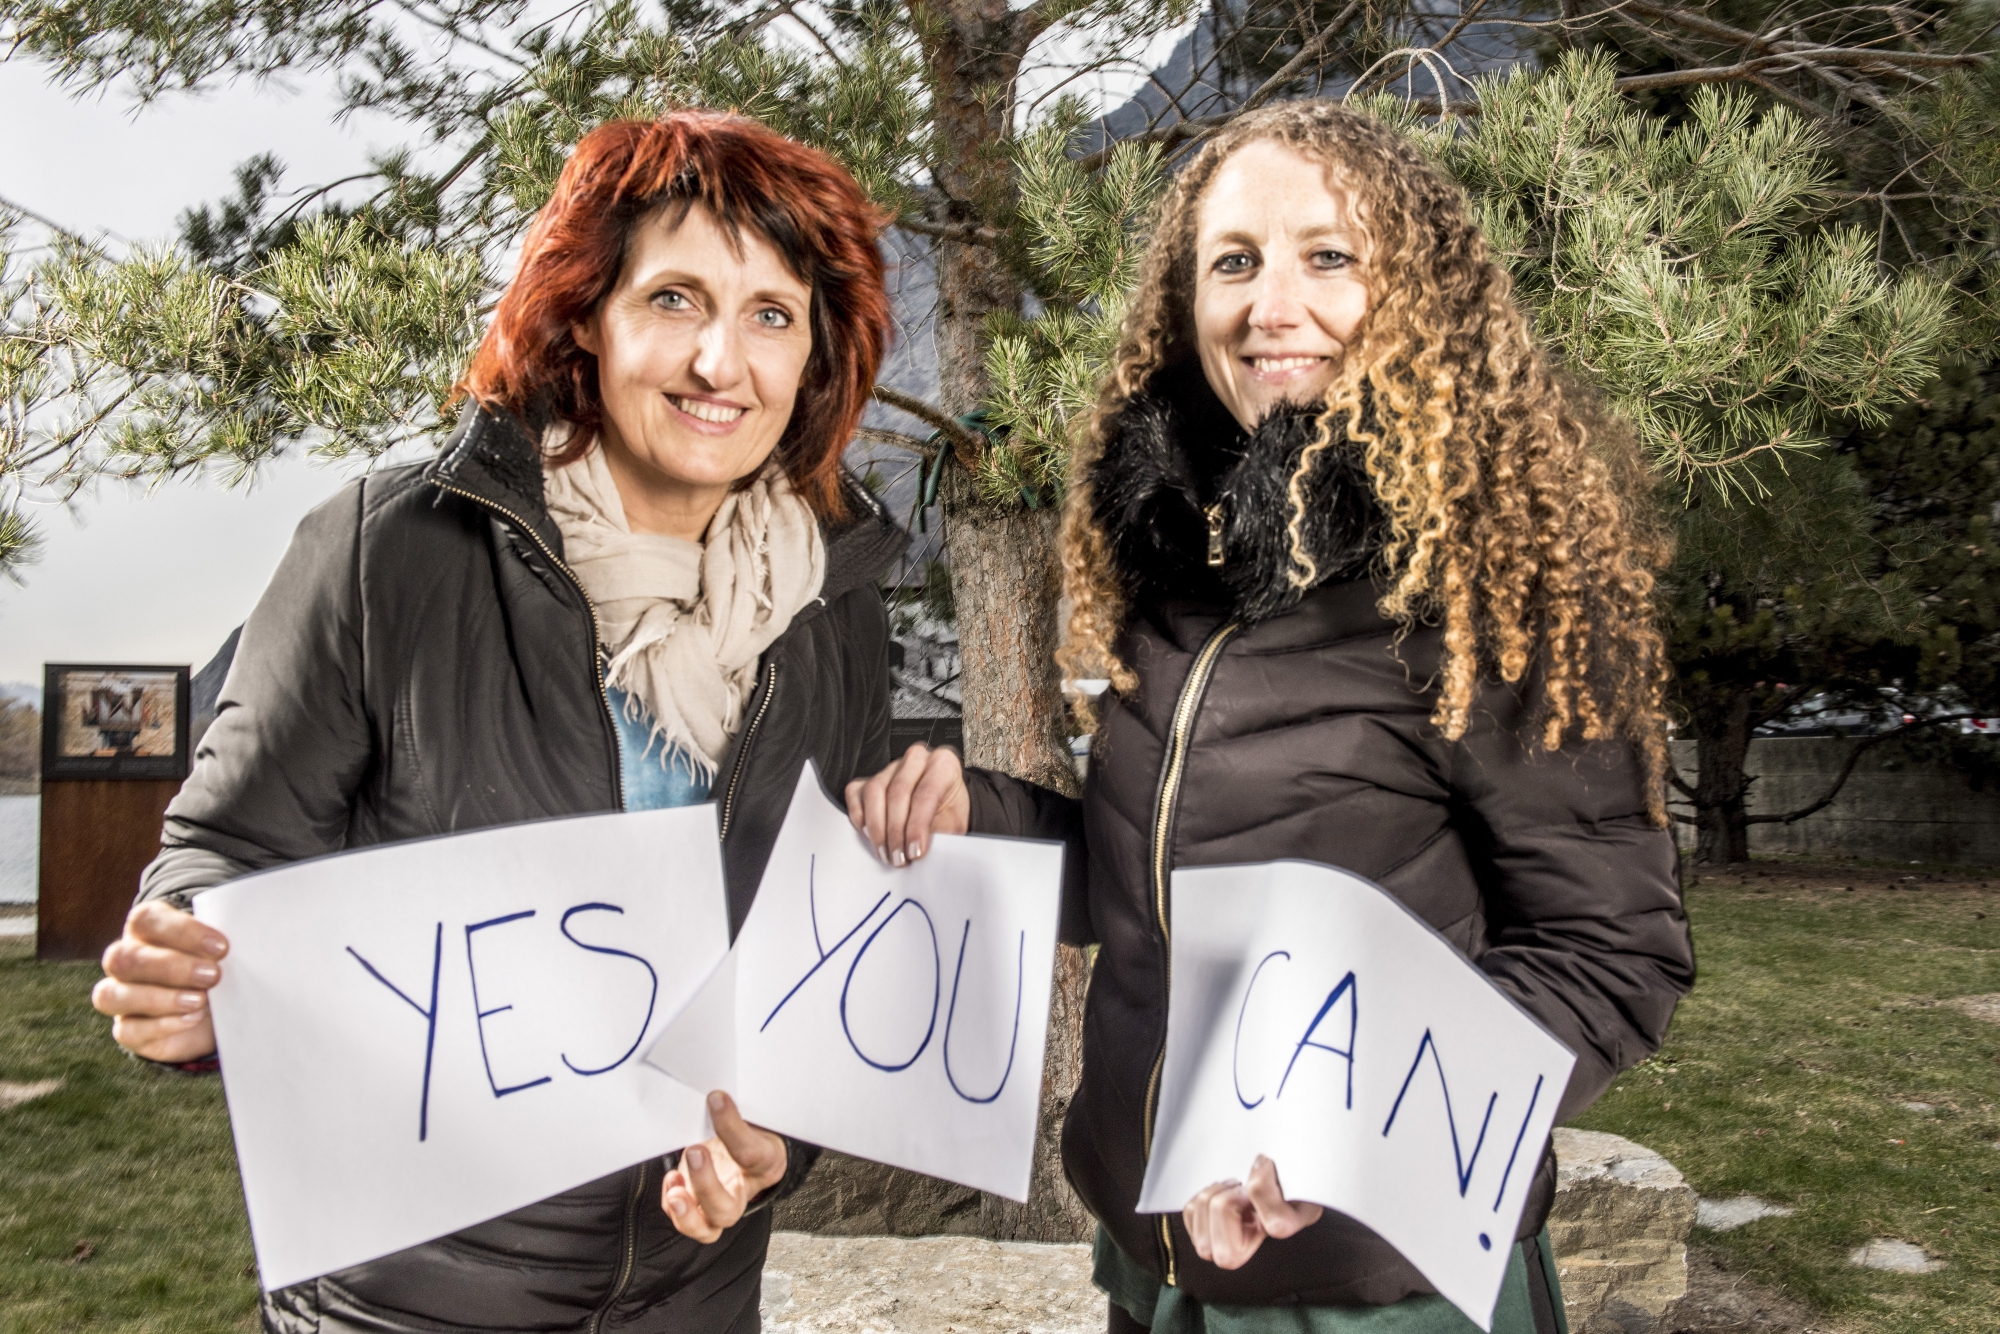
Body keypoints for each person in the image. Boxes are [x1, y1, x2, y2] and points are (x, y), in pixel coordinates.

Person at [848, 101, 1696, 1334]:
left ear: (1412, 293)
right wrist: (971, 814)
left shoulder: (1491, 592)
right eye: (1232, 261)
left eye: (1328, 257)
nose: (1269, 303)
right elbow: (1152, 878)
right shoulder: (1180, 570)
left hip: (1370, 1283)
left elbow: (1612, 955)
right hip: (1159, 1246)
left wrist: (1339, 1135)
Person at [90, 110, 904, 1333]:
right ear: (586, 313)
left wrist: (775, 1144)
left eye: (771, 314)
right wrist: (193, 968)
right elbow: (221, 856)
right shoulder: (384, 553)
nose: (719, 363)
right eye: (674, 298)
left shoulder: (830, 611)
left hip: (693, 1300)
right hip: (404, 1302)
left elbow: (823, 975)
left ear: (813, 355)